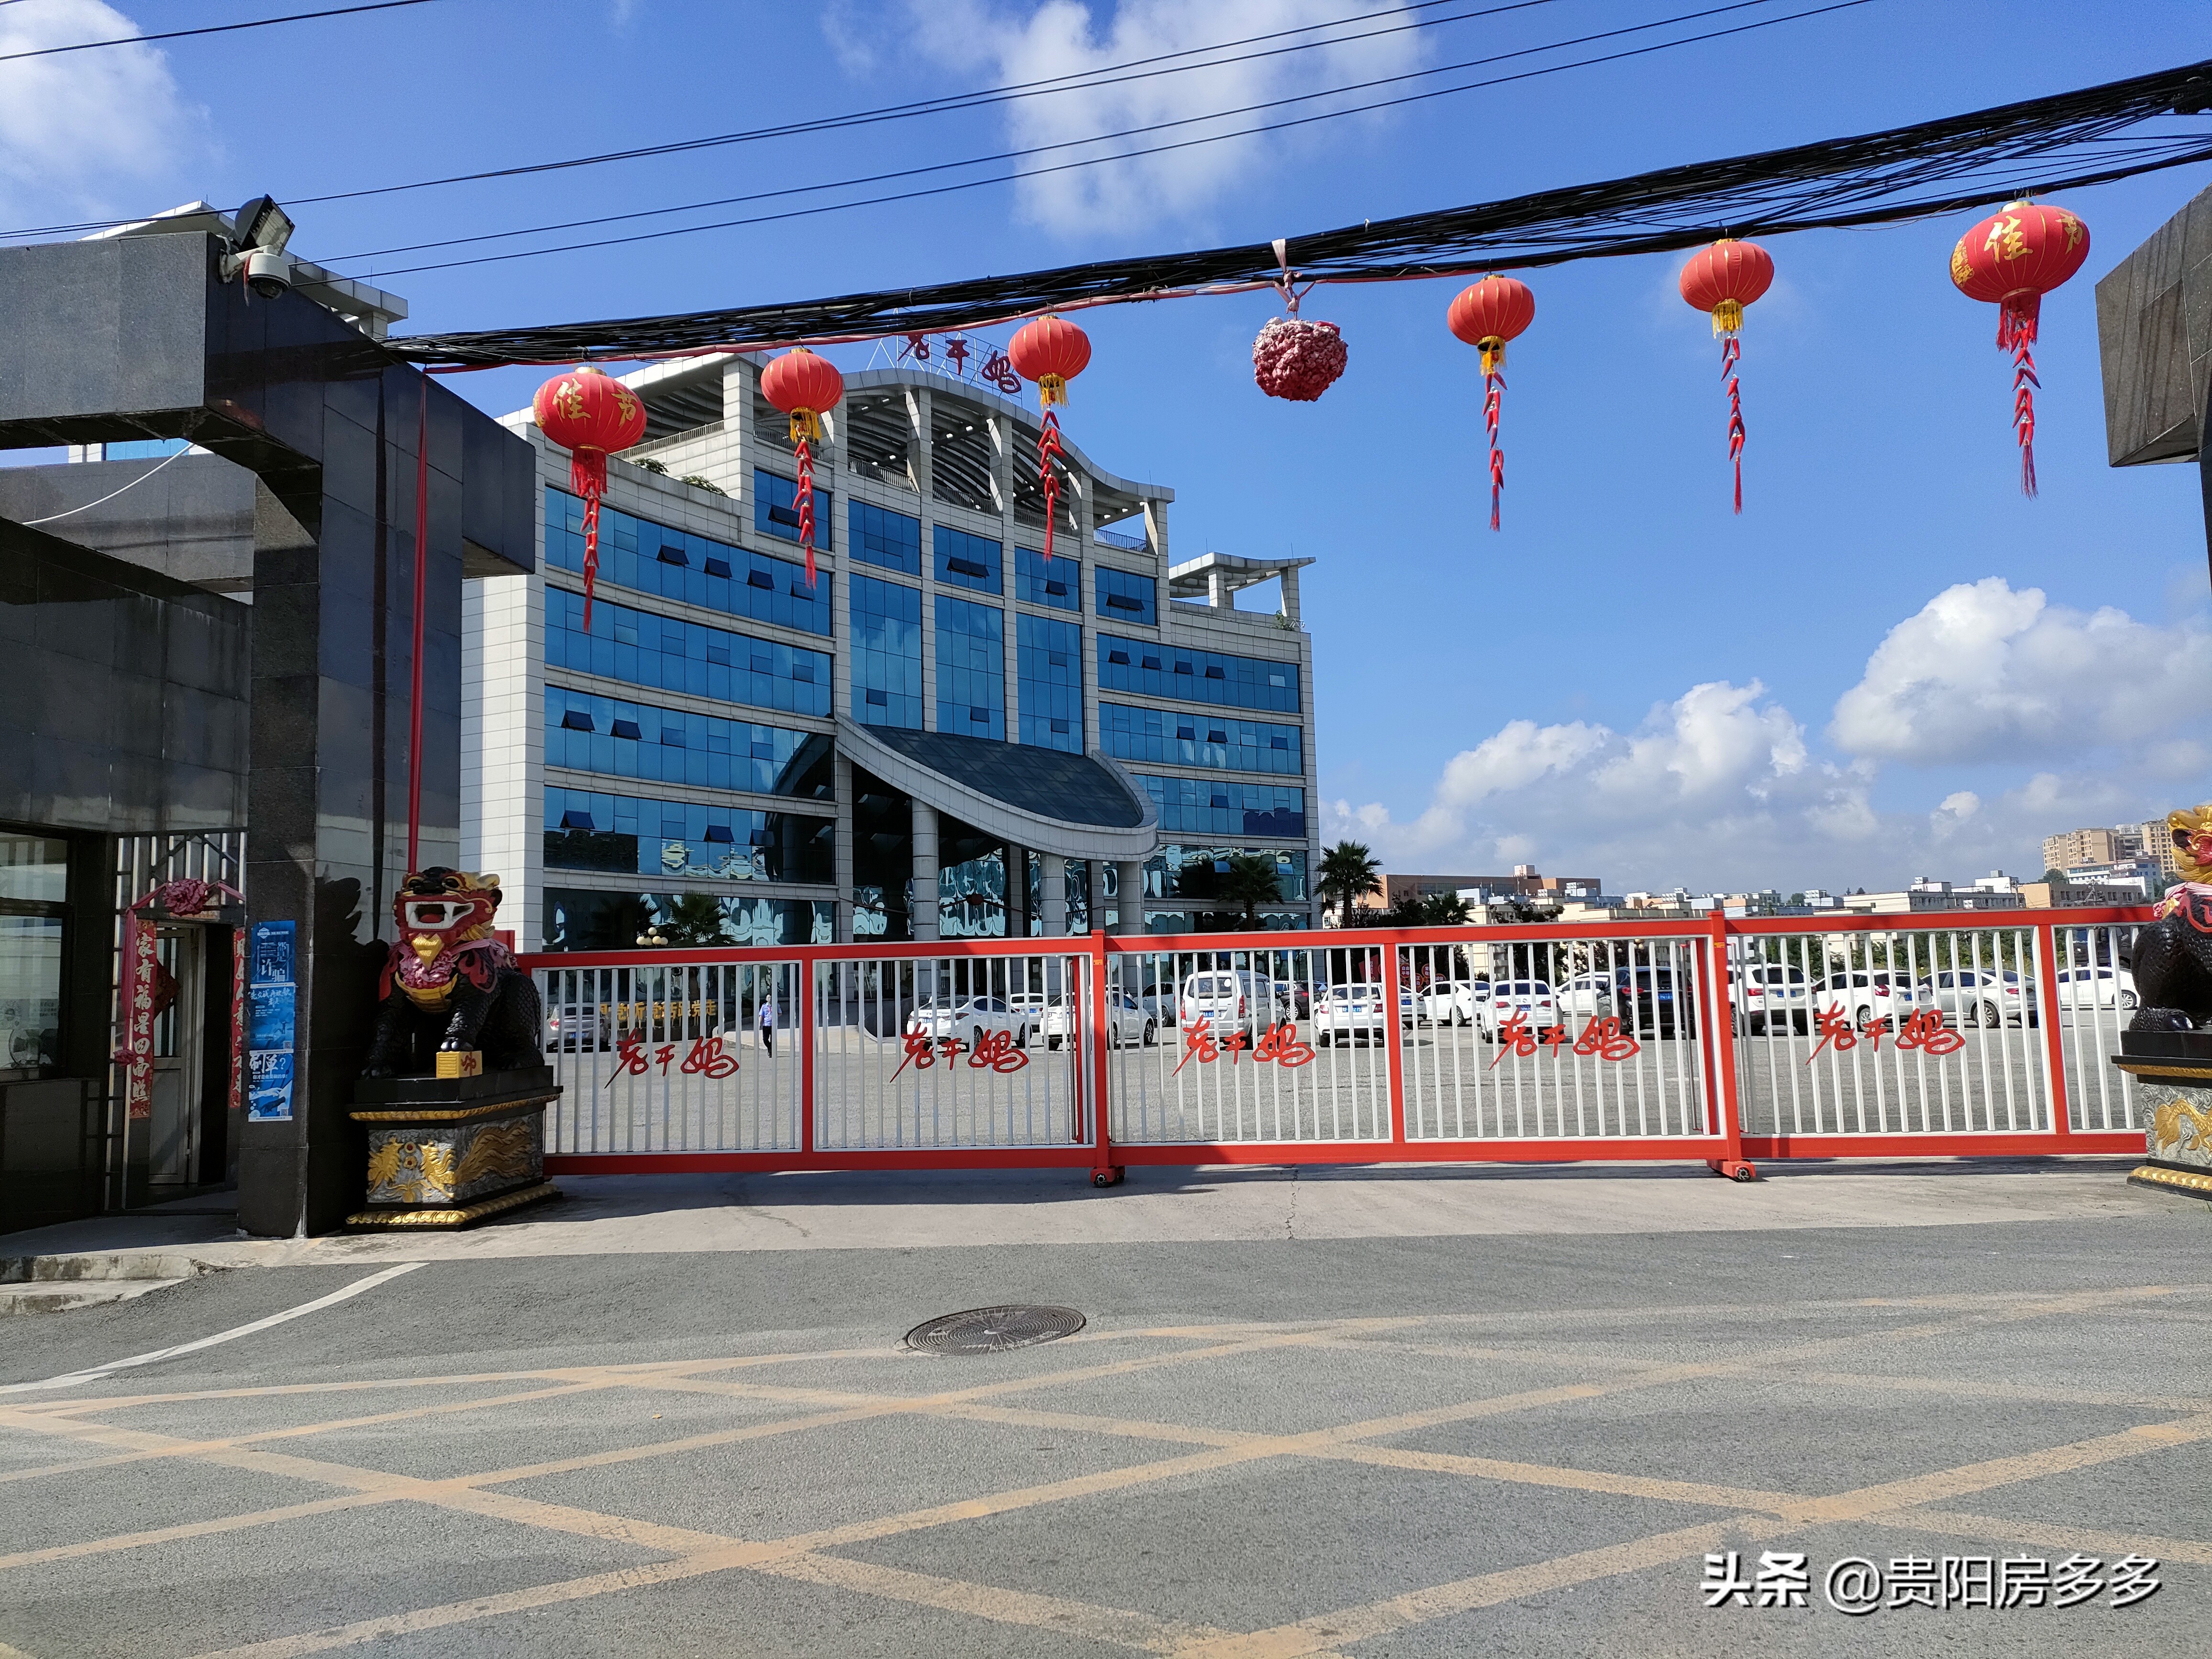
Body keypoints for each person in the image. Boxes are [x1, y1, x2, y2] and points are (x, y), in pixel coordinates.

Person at [758, 990, 776, 1057]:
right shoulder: (764, 1006)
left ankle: (771, 1052)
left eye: (771, 998)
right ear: (766, 999)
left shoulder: (776, 1005)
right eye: (768, 998)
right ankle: (770, 1048)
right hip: (766, 1025)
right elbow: (761, 1016)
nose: (770, 999)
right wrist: (759, 1023)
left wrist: (775, 1016)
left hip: (773, 1025)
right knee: (765, 1039)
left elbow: (780, 1013)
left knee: (773, 1040)